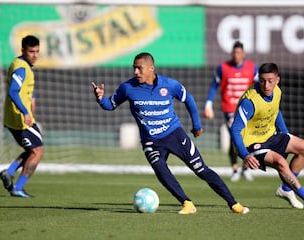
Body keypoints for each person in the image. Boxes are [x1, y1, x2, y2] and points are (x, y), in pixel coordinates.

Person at [91, 52, 249, 214]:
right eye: (134, 68)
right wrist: (100, 99)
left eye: (139, 68)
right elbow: (110, 105)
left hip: (175, 135)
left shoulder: (169, 85)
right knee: (160, 169)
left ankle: (234, 204)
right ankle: (186, 203)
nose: (135, 72)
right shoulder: (127, 88)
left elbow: (189, 99)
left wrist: (197, 125)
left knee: (201, 169)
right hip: (151, 141)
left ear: (151, 68)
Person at [230, 62, 304, 211]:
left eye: (270, 81)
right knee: (281, 162)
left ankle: (286, 189)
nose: (266, 85)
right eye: (262, 81)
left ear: (277, 80)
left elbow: (275, 111)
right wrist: (245, 155)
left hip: (270, 136)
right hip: (251, 143)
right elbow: (235, 129)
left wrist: (285, 133)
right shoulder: (250, 102)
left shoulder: (277, 92)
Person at [204, 41, 258, 182]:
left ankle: (245, 168)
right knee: (234, 138)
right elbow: (214, 86)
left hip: (246, 108)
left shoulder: (252, 68)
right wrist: (208, 104)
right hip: (230, 109)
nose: (236, 55)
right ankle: (235, 169)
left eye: (239, 52)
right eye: (234, 52)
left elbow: (258, 86)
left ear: (243, 54)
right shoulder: (223, 68)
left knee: (248, 139)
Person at [0, 35, 43, 198]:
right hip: (20, 119)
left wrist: (32, 100)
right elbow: (12, 91)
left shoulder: (23, 64)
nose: (35, 55)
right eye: (31, 51)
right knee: (37, 152)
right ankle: (17, 187)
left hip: (17, 117)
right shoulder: (21, 67)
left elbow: (24, 89)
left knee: (32, 150)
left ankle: (9, 172)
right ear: (23, 50)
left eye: (37, 51)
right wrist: (25, 112)